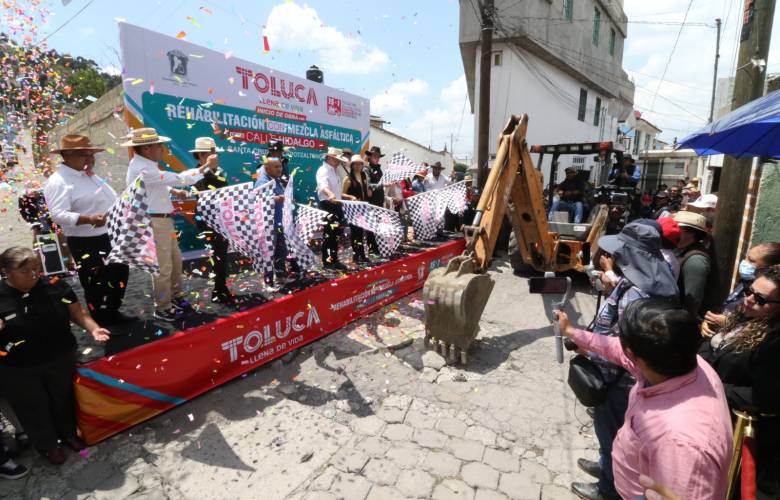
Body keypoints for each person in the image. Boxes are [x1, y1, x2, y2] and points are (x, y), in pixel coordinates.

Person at [559, 298, 732, 500]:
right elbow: (616, 349)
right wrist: (573, 332)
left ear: (633, 354)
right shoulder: (680, 361)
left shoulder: (681, 443)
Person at [572, 222, 678, 500]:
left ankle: (607, 488)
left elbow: (627, 348)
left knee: (613, 434)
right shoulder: (656, 279)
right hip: (628, 375)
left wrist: (588, 349)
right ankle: (605, 466)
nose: (615, 257)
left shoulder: (636, 295)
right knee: (612, 435)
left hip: (619, 377)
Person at [0, 247, 110, 465]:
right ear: (6, 272)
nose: (33, 275)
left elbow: (77, 312)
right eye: (25, 271)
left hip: (60, 355)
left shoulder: (56, 286)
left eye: (36, 269)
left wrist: (93, 328)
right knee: (33, 405)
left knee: (64, 398)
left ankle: (69, 434)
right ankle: (48, 445)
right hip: (18, 367)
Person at [699, 265, 780, 498]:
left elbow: (765, 397)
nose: (749, 299)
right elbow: (713, 349)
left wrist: (710, 386)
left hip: (742, 436)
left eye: (761, 299)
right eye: (749, 290)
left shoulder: (774, 342)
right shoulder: (741, 315)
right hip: (712, 418)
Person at [123, 128, 216, 321]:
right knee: (163, 267)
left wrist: (174, 191)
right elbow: (180, 178)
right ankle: (163, 306)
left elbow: (158, 183)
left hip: (162, 219)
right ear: (147, 148)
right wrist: (205, 166)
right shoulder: (143, 168)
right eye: (159, 146)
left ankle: (175, 297)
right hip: (154, 221)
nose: (163, 149)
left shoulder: (147, 166)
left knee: (175, 261)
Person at [43, 135, 133, 327]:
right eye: (85, 154)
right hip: (86, 242)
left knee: (118, 274)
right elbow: (57, 214)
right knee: (97, 283)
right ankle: (101, 321)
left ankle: (113, 311)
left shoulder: (89, 175)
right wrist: (88, 219)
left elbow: (110, 197)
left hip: (109, 236)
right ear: (67, 155)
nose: (90, 158)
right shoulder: (58, 181)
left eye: (92, 154)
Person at [190, 137, 236, 305]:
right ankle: (218, 290)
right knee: (216, 255)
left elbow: (224, 189)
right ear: (201, 156)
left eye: (214, 153)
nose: (214, 155)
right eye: (210, 153)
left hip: (220, 218)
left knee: (221, 254)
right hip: (206, 220)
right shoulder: (196, 173)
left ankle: (221, 287)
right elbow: (201, 191)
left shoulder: (220, 170)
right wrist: (209, 168)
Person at [702, 242, 780, 336]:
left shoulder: (768, 296)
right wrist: (710, 321)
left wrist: (731, 323)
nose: (744, 262)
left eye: (751, 261)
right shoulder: (745, 282)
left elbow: (759, 330)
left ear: (767, 269)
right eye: (747, 257)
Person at [256, 157, 299, 286]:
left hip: (279, 223)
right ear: (267, 168)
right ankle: (268, 281)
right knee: (268, 254)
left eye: (280, 166)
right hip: (269, 225)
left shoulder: (277, 180)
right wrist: (275, 198)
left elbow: (281, 198)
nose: (280, 169)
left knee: (281, 251)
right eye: (276, 167)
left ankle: (280, 276)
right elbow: (258, 199)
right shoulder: (262, 181)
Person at [674, 211, 713, 320]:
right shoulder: (680, 250)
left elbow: (692, 301)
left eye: (677, 227)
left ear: (690, 232)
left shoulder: (696, 261)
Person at [316, 147, 349, 270]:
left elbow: (337, 191)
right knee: (329, 235)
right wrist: (330, 194)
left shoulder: (335, 171)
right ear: (330, 158)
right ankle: (328, 262)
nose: (339, 162)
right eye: (337, 159)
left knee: (336, 235)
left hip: (336, 205)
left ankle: (334, 260)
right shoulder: (323, 170)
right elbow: (323, 186)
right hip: (328, 205)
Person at [342, 155, 371, 264]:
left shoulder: (363, 175)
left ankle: (363, 255)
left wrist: (367, 192)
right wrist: (351, 197)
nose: (359, 166)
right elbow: (341, 194)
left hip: (363, 208)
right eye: (356, 164)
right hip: (353, 209)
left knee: (362, 232)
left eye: (360, 163)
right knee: (355, 232)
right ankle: (356, 256)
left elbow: (364, 189)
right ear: (352, 165)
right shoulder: (348, 178)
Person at [364, 146, 385, 255]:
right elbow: (368, 185)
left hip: (379, 202)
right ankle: (372, 248)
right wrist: (381, 185)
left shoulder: (379, 169)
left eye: (378, 156)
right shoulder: (366, 169)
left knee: (378, 226)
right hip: (371, 203)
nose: (377, 158)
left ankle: (377, 246)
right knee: (371, 227)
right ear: (370, 156)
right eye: (375, 156)